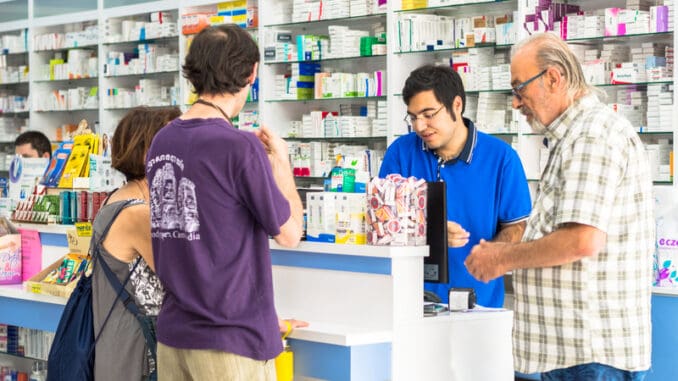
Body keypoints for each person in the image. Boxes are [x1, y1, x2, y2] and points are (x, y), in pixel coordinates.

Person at [465, 32, 654, 380]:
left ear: (553, 78)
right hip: (572, 354)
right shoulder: (571, 137)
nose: (516, 103)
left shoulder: (591, 136)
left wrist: (501, 258)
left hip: (590, 355)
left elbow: (580, 240)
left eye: (520, 88)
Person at [145, 24, 307, 380]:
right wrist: (281, 165)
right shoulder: (239, 146)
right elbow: (290, 234)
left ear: (193, 71)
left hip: (174, 335)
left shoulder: (162, 140)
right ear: (251, 73)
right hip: (230, 338)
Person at [379, 64, 531, 307]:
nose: (419, 126)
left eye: (429, 115)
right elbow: (382, 225)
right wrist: (430, 232)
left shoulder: (501, 158)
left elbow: (516, 226)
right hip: (410, 302)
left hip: (479, 304)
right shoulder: (400, 153)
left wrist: (491, 252)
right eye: (413, 116)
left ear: (456, 105)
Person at [91, 106, 181, 380]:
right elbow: (185, 278)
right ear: (148, 152)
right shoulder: (137, 213)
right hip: (137, 355)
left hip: (119, 349)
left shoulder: (117, 199)